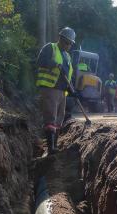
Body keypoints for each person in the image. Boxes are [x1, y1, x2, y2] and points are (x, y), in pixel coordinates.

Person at [36, 27, 77, 155]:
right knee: (50, 117)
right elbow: (40, 61)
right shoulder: (50, 48)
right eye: (66, 42)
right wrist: (54, 64)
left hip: (62, 92)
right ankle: (50, 148)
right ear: (60, 39)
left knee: (59, 119)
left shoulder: (67, 56)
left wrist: (72, 90)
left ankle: (55, 145)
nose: (68, 45)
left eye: (70, 43)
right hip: (50, 89)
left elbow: (68, 76)